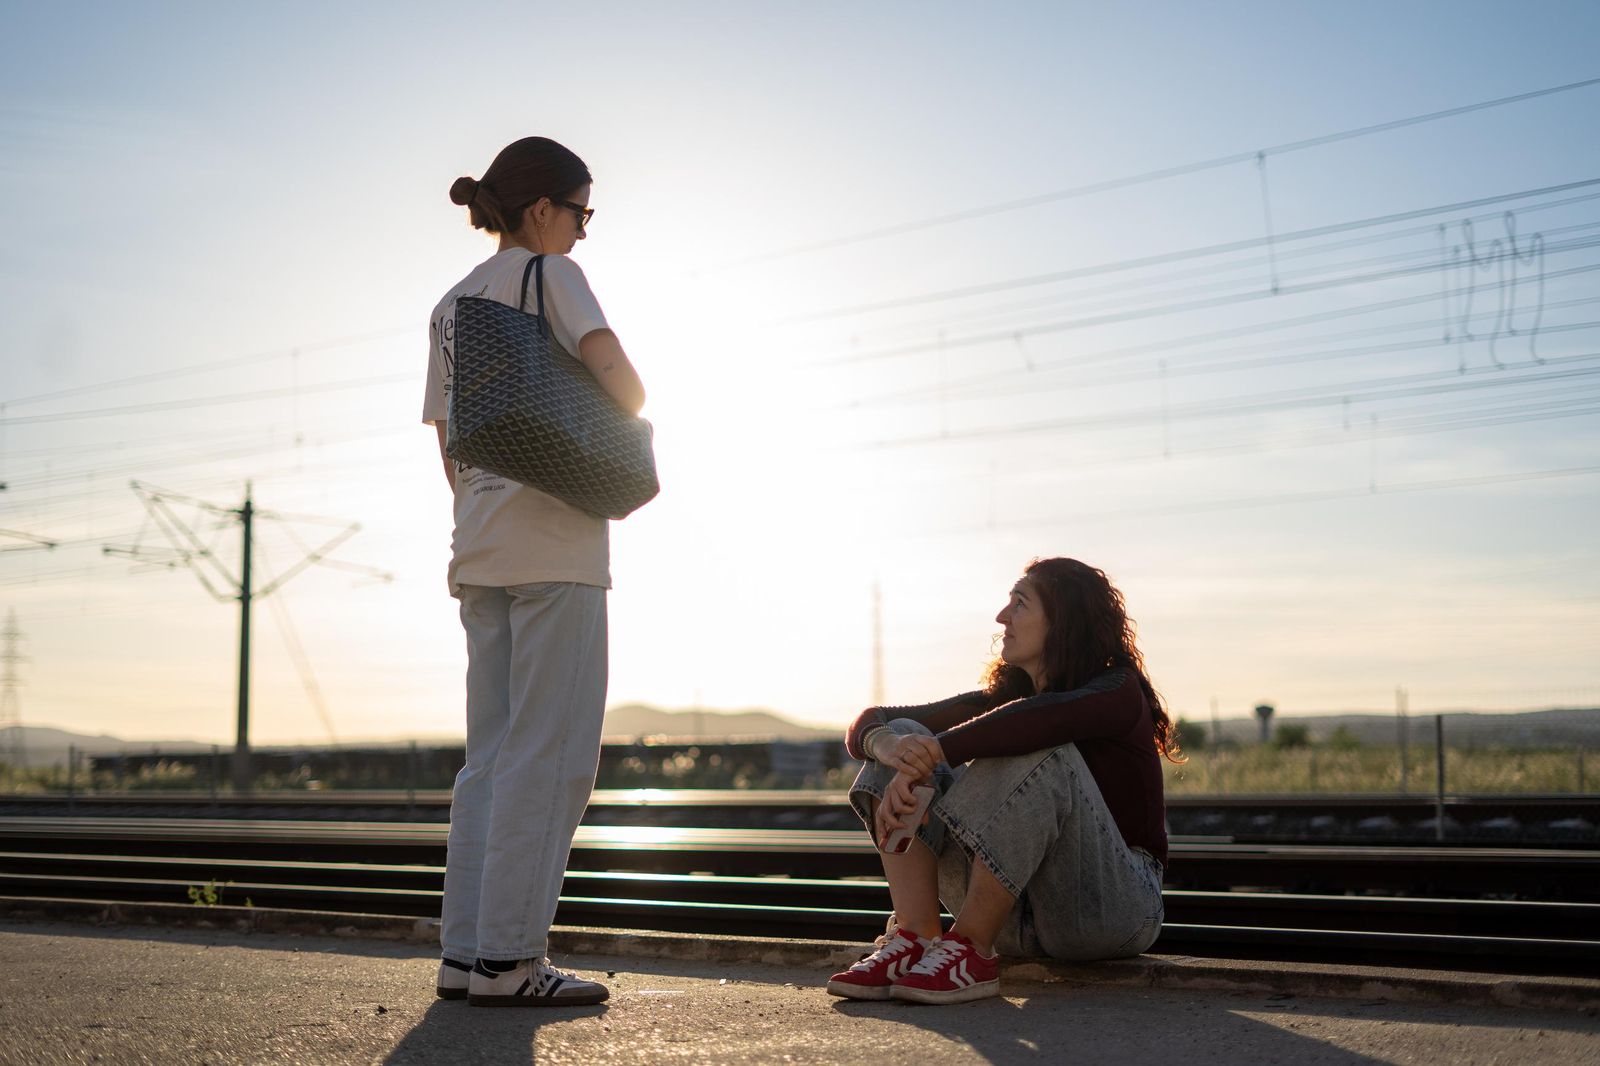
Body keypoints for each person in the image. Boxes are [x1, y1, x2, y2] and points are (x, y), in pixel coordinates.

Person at [421, 136, 645, 1008]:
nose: (584, 233)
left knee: (490, 758)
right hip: (556, 546)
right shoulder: (548, 276)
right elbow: (615, 375)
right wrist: (625, 421)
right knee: (551, 758)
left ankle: (465, 953)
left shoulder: (447, 305)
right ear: (543, 208)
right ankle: (511, 960)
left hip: (477, 546)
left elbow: (447, 441)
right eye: (582, 212)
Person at [827, 557, 1179, 1005]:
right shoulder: (1008, 698)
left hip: (1113, 910)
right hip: (1018, 915)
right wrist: (892, 750)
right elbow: (873, 721)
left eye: (1019, 602)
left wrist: (937, 753)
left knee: (1038, 742)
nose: (1001, 616)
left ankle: (971, 949)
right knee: (906, 736)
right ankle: (916, 939)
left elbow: (1042, 719)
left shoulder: (1117, 691)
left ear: (1063, 619)